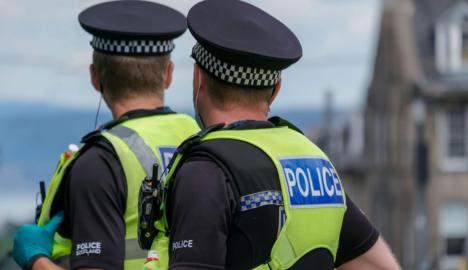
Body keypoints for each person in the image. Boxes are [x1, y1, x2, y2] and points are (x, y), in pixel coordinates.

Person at [151, 0, 402, 269]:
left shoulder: (204, 171)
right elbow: (379, 265)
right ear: (276, 89)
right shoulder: (317, 164)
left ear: (198, 78)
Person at [12, 1, 199, 269]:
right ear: (169, 74)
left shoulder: (99, 163)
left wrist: (36, 260)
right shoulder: (198, 136)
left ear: (94, 77)